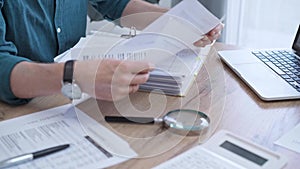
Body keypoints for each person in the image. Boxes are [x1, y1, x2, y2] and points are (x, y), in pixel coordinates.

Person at [0, 0, 223, 105]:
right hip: (21, 110)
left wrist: (176, 21)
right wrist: (73, 75)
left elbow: (116, 4)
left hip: (74, 103)